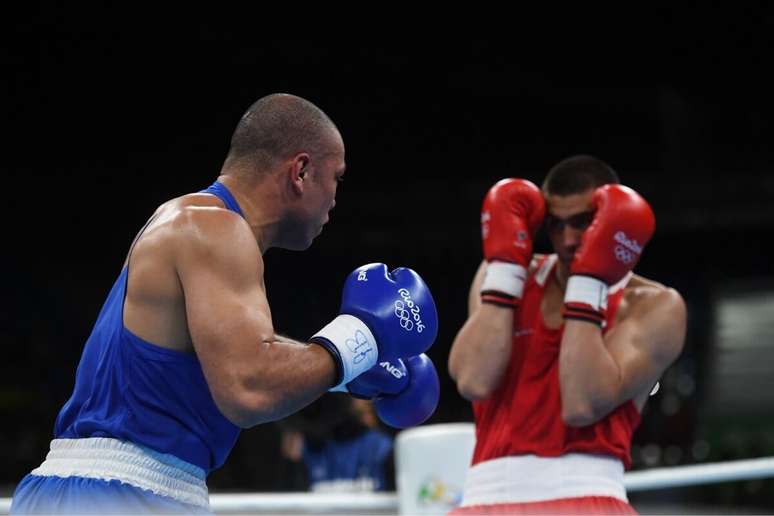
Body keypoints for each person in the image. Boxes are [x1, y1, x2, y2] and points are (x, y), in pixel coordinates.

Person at [11, 93, 440, 514]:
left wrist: (347, 373)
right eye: (337, 177)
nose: (334, 198)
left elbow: (226, 358)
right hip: (125, 492)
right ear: (302, 171)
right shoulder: (216, 228)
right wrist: (360, 337)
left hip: (95, 490)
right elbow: (249, 387)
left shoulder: (191, 220)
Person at [448, 155, 687, 515]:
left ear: (614, 224)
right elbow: (473, 381)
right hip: (485, 498)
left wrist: (589, 283)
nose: (568, 239)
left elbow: (581, 404)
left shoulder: (654, 306)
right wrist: (503, 277)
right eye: (555, 225)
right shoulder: (507, 274)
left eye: (583, 223)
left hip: (587, 497)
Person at [278, 396, 395, 492]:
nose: (367, 401)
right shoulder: (305, 446)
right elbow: (291, 503)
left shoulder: (381, 446)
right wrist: (293, 463)